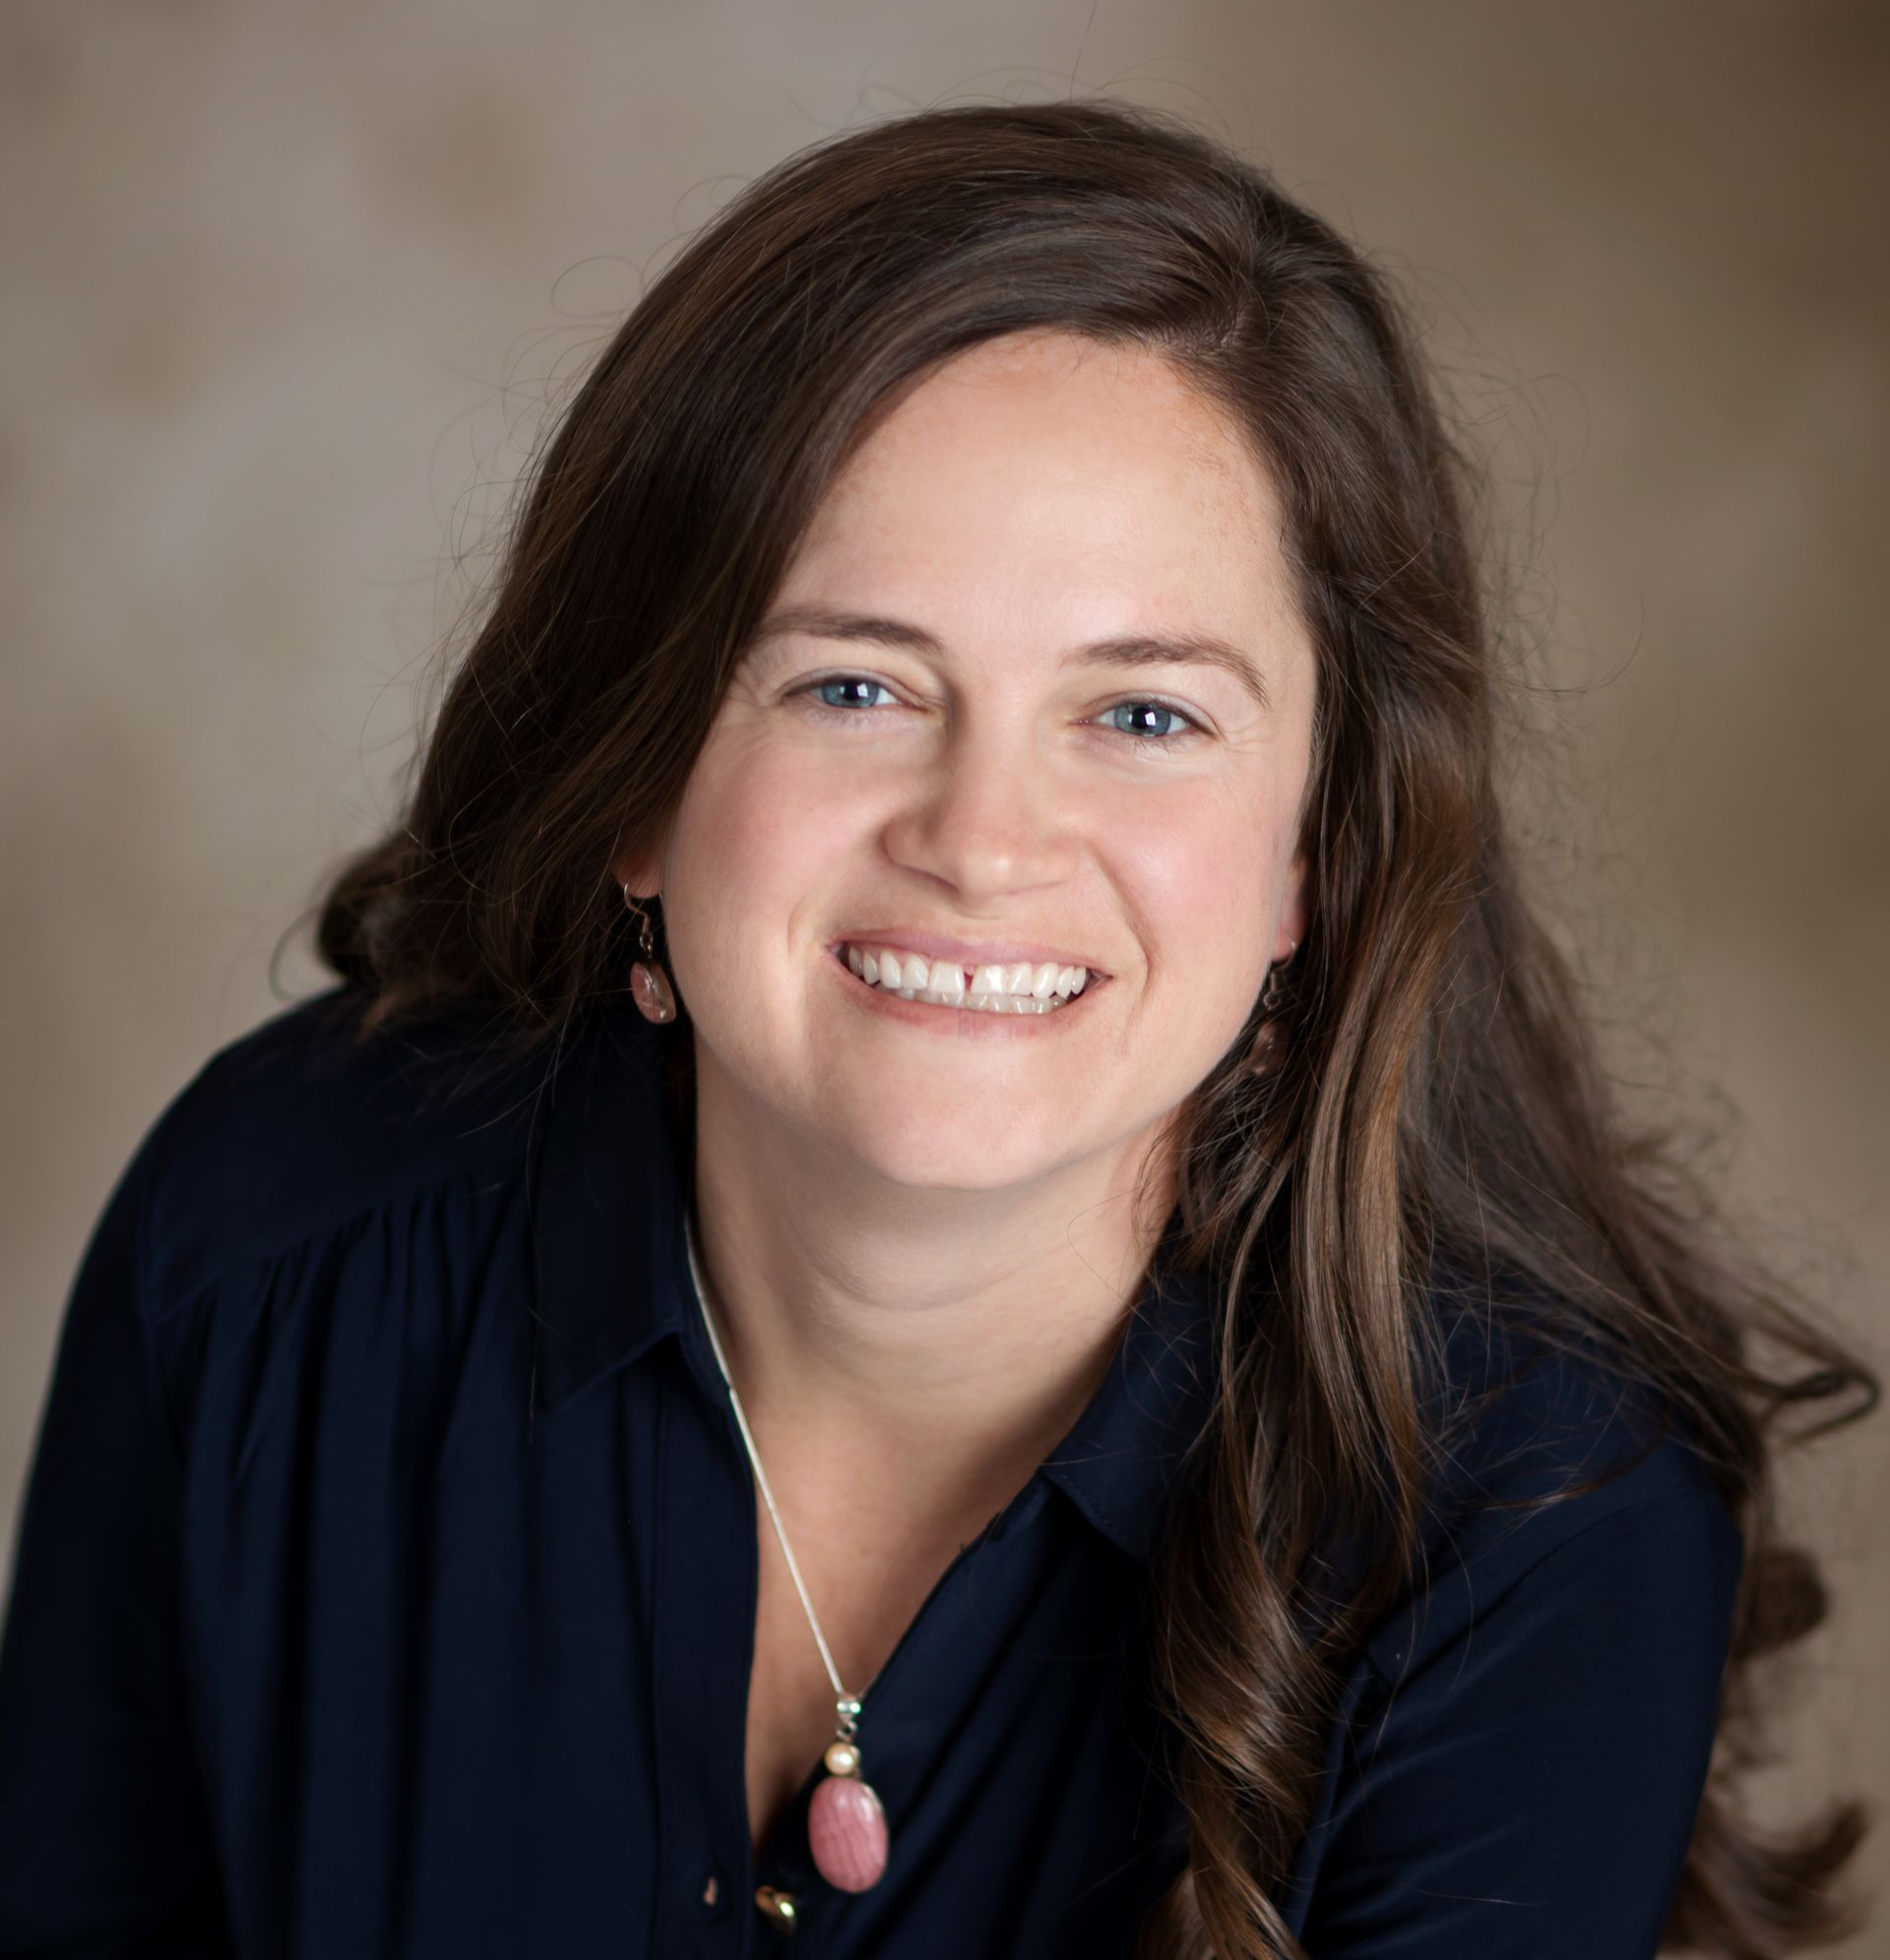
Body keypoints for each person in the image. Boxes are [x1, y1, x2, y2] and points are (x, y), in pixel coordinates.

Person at [0, 99, 1876, 1960]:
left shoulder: (1536, 1521)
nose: (981, 844)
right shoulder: (263, 1252)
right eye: (853, 684)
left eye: (1143, 716)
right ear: (635, 778)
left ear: (1314, 851)